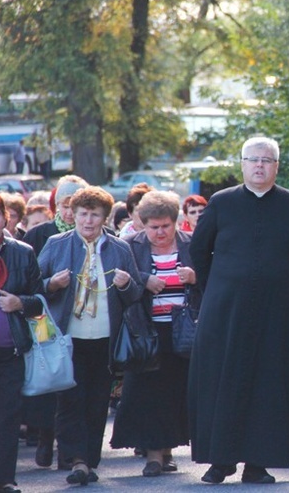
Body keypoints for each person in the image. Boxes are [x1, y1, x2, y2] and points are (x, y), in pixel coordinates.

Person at [188, 136, 289, 485]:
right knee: (222, 381)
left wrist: (286, 288)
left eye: (267, 160)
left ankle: (259, 462)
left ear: (277, 166)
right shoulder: (221, 203)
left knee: (269, 384)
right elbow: (199, 252)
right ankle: (220, 460)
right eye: (253, 159)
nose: (259, 165)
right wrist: (216, 290)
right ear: (242, 164)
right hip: (225, 311)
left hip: (277, 313)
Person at [38, 186, 144, 486]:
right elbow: (34, 287)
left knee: (97, 402)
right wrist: (52, 284)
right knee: (70, 400)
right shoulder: (56, 244)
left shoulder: (119, 248)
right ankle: (77, 460)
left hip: (104, 338)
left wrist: (125, 285)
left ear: (104, 217)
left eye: (94, 215)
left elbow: (135, 293)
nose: (87, 220)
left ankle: (89, 459)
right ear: (74, 215)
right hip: (67, 337)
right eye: (82, 214)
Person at [111, 190, 199, 477]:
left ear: (176, 222)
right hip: (145, 329)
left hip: (182, 328)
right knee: (146, 392)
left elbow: (212, 278)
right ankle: (152, 456)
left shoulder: (192, 244)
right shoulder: (129, 246)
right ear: (142, 224)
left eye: (165, 226)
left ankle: (168, 451)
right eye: (153, 227)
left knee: (175, 391)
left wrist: (195, 277)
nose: (160, 232)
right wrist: (144, 280)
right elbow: (120, 283)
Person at [21, 175, 90, 470]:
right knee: (51, 379)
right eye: (66, 204)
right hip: (44, 317)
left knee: (74, 384)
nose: (70, 211)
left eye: (77, 204)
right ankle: (47, 436)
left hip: (81, 321)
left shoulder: (92, 234)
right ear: (57, 205)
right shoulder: (42, 235)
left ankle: (70, 450)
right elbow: (27, 278)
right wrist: (50, 284)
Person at [0, 194, 44, 493]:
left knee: (7, 418)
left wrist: (20, 303)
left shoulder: (23, 253)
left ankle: (4, 479)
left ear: (5, 218)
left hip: (10, 351)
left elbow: (39, 301)